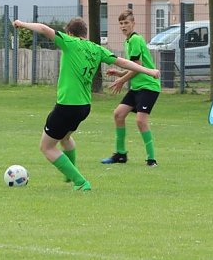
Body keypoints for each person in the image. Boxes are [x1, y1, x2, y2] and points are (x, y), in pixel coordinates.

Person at [13, 17, 161, 191]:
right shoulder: (96, 49)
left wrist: (22, 24)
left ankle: (80, 181)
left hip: (67, 105)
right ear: (85, 33)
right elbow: (123, 61)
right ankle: (70, 175)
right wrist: (149, 71)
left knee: (46, 147)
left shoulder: (70, 42)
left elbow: (44, 29)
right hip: (84, 107)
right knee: (65, 138)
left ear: (70, 33)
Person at [101, 9, 161, 167]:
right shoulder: (128, 41)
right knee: (118, 115)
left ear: (133, 23)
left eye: (126, 23)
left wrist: (121, 79)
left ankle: (151, 159)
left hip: (149, 86)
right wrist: (119, 72)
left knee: (141, 121)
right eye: (121, 23)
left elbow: (137, 67)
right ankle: (120, 155)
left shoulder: (135, 40)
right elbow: (134, 67)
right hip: (137, 87)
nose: (123, 26)